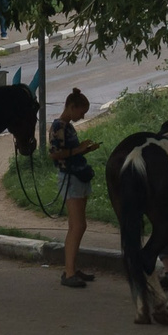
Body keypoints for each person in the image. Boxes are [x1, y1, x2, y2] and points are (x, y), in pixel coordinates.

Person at [48, 88, 96, 288]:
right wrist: (80, 149)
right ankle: (69, 272)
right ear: (71, 107)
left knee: (77, 225)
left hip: (77, 175)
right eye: (81, 112)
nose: (82, 116)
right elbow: (55, 154)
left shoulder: (66, 126)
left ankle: (72, 268)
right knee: (77, 226)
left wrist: (83, 149)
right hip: (70, 177)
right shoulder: (59, 126)